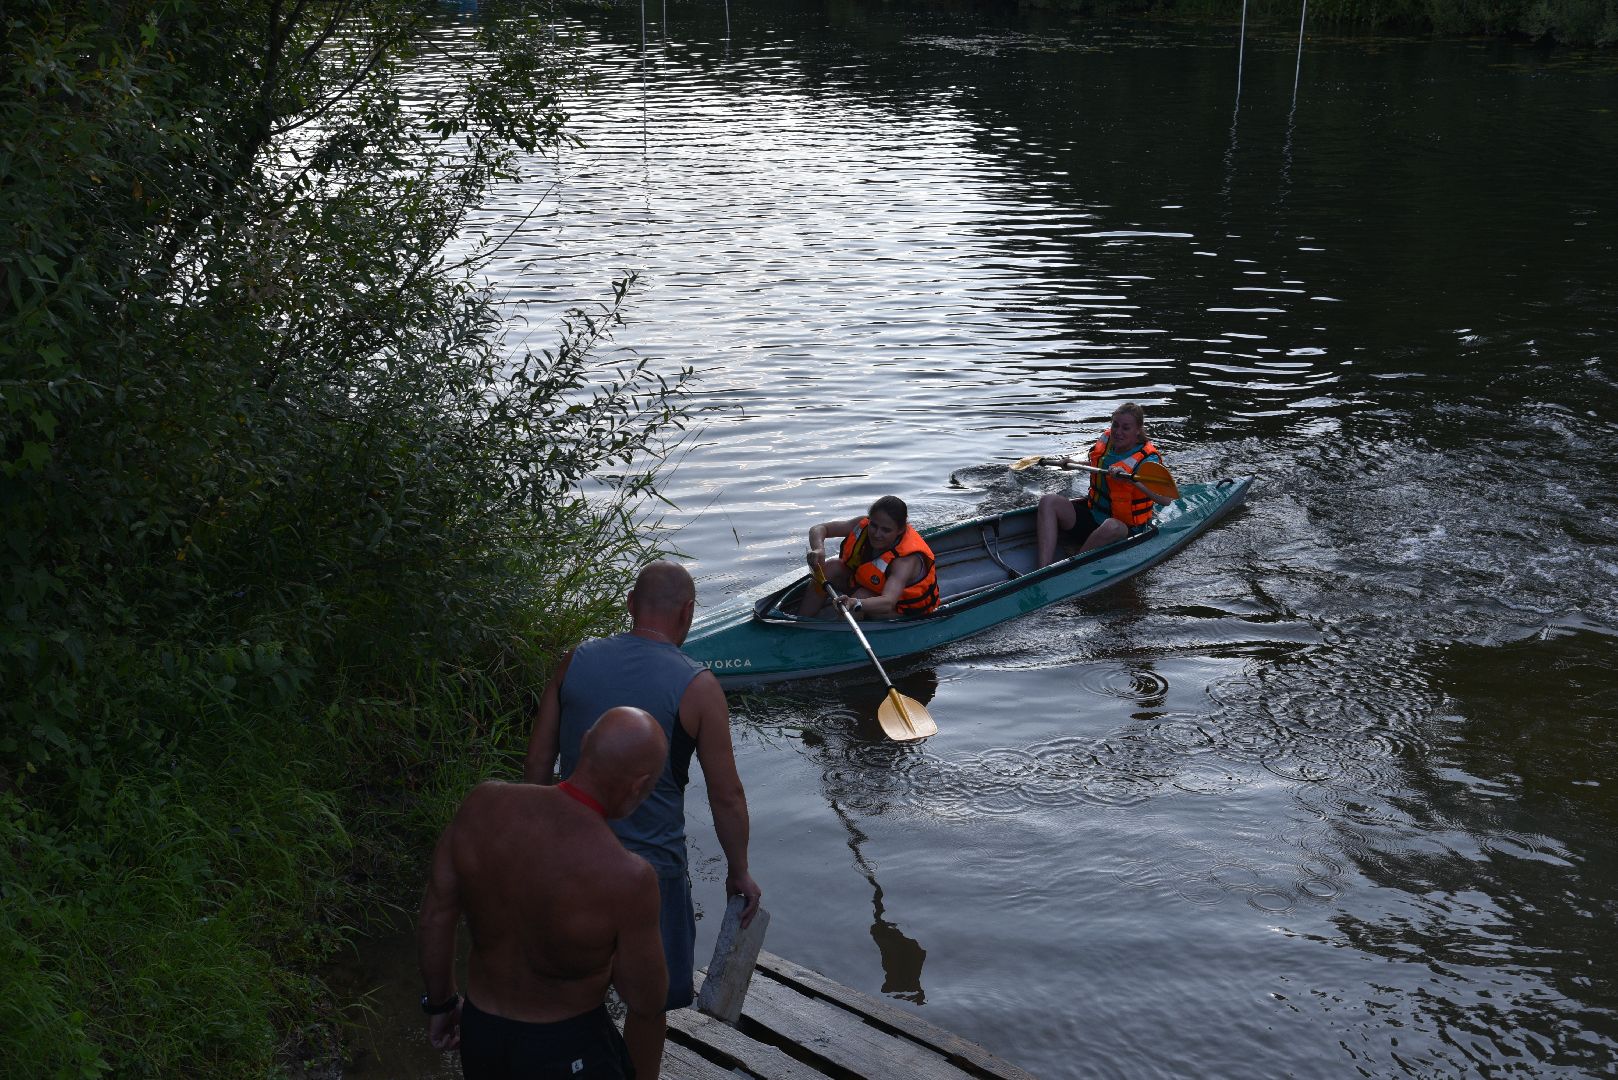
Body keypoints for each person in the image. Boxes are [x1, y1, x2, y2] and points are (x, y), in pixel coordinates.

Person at [525, 560, 761, 1013]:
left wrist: (538, 843)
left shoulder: (576, 659)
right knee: (659, 1005)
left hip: (572, 857)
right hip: (654, 874)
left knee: (571, 991)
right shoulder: (699, 687)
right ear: (688, 613)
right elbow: (725, 795)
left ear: (631, 604)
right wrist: (739, 870)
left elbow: (538, 760)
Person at [419, 707, 670, 1080]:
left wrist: (441, 1005)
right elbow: (646, 1003)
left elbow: (437, 913)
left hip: (481, 1031)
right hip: (567, 1047)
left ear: (585, 742)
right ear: (638, 786)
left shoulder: (481, 805)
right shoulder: (627, 877)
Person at [1035, 402, 1174, 568]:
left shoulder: (1147, 459)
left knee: (1111, 525)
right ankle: (1044, 568)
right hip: (1094, 517)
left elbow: (1166, 500)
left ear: (1137, 430)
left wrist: (1131, 480)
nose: (1118, 432)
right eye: (1115, 425)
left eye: (1125, 428)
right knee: (1048, 501)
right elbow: (1097, 464)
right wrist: (1072, 463)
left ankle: (1072, 567)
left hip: (1124, 529)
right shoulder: (1107, 441)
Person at [798, 495, 939, 619]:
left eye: (886, 530)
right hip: (871, 586)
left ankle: (839, 639)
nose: (877, 534)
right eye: (874, 525)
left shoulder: (904, 561)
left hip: (900, 609)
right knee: (831, 567)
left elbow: (888, 601)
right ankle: (801, 620)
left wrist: (855, 603)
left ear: (900, 530)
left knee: (862, 595)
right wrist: (819, 549)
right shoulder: (862, 525)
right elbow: (819, 528)